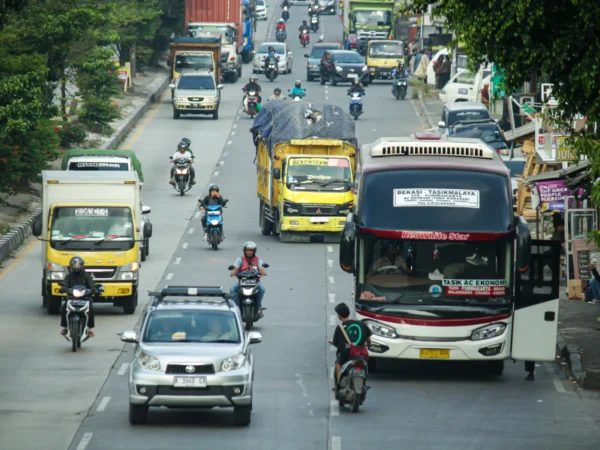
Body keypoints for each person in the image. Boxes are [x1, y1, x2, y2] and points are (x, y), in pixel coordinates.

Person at [329, 302, 372, 384]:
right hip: (361, 354)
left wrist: (333, 342)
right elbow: (368, 340)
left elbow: (336, 343)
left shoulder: (340, 328)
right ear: (349, 313)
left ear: (339, 316)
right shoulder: (362, 324)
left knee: (338, 363)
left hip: (347, 355)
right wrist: (368, 345)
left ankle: (338, 383)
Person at [60, 256, 96, 337]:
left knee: (91, 308)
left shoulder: (86, 275)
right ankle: (65, 327)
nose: (77, 267)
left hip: (85, 297)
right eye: (75, 265)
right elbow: (65, 283)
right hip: (72, 297)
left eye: (79, 265)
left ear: (82, 265)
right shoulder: (69, 276)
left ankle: (90, 329)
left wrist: (93, 289)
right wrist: (64, 288)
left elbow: (91, 284)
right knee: (63, 308)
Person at [229, 241, 267, 316]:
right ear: (244, 251)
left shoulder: (258, 260)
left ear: (254, 251)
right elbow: (236, 268)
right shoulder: (240, 259)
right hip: (242, 282)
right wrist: (234, 272)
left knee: (262, 289)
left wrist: (262, 272)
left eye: (251, 250)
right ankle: (237, 308)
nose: (249, 252)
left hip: (255, 282)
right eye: (248, 250)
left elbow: (261, 268)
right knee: (232, 289)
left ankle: (259, 308)